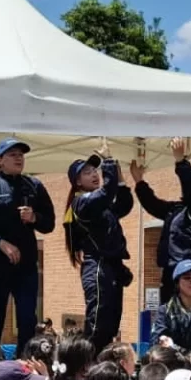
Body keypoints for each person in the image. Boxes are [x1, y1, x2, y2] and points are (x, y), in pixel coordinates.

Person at [0, 138, 56, 363]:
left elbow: (50, 223)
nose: (18, 158)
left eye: (21, 154)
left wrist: (34, 217)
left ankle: (24, 367)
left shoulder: (34, 185)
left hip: (26, 268)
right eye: (12, 154)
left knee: (27, 319)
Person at [130, 136, 191, 304]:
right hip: (170, 275)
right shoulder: (178, 209)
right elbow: (154, 205)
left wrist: (180, 161)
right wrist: (139, 181)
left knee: (190, 323)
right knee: (168, 320)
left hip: (190, 276)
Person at [64, 149, 134, 350]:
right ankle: (87, 366)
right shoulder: (82, 203)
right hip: (97, 267)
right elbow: (107, 192)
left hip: (110, 267)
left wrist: (119, 176)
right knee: (98, 324)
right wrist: (108, 162)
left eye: (95, 170)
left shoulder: (99, 204)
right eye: (87, 172)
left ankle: (102, 366)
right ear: (77, 182)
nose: (94, 174)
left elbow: (124, 204)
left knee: (111, 323)